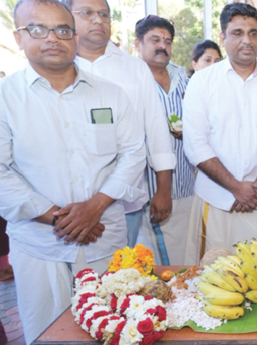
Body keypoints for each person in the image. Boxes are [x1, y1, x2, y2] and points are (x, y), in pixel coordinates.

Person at [0, 0, 146, 342]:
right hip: (39, 247)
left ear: (75, 37)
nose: (53, 38)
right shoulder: (4, 98)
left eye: (63, 30)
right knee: (47, 335)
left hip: (104, 240)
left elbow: (134, 154)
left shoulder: (111, 95)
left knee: (114, 331)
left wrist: (93, 207)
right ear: (18, 38)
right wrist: (60, 218)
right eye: (37, 29)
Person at [183, 3, 257, 265]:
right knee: (211, 282)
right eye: (237, 33)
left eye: (254, 33)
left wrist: (254, 189)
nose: (247, 40)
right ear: (223, 37)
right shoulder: (202, 81)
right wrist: (236, 188)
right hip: (215, 199)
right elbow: (196, 145)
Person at [64, 0, 176, 246]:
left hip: (125, 198)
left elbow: (156, 128)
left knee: (121, 273)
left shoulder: (134, 68)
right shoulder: (58, 66)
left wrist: (164, 189)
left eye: (104, 14)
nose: (98, 20)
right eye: (87, 13)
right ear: (67, 18)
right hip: (68, 200)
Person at [135, 16, 196, 265]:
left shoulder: (185, 80)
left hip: (188, 181)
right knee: (156, 258)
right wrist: (162, 190)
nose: (163, 46)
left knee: (187, 250)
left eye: (168, 41)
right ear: (138, 43)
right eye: (155, 40)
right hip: (150, 188)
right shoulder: (132, 81)